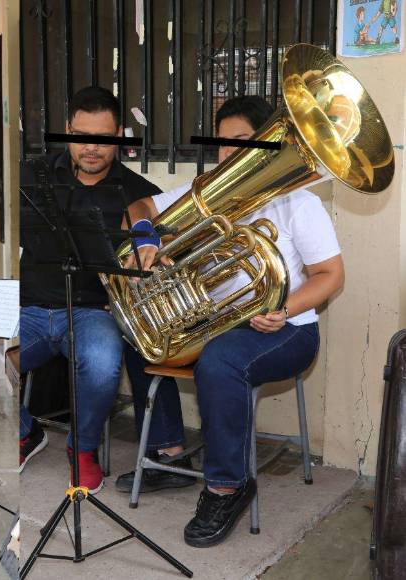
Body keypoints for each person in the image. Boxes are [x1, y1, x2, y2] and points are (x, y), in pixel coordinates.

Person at [116, 95, 345, 548]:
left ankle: (227, 487)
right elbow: (139, 206)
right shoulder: (205, 194)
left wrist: (284, 309)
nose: (228, 151)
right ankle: (170, 453)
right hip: (220, 321)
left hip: (287, 330)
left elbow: (330, 276)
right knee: (138, 330)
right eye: (221, 142)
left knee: (221, 362)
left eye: (240, 140)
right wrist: (144, 237)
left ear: (268, 142)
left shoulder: (298, 203)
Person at [19, 86, 163, 492]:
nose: (92, 148)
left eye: (102, 138)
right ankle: (27, 432)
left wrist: (146, 241)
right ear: (67, 130)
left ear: (118, 135)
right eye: (81, 136)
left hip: (90, 312)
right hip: (29, 308)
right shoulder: (31, 176)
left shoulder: (134, 190)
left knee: (103, 362)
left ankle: (82, 449)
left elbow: (145, 222)